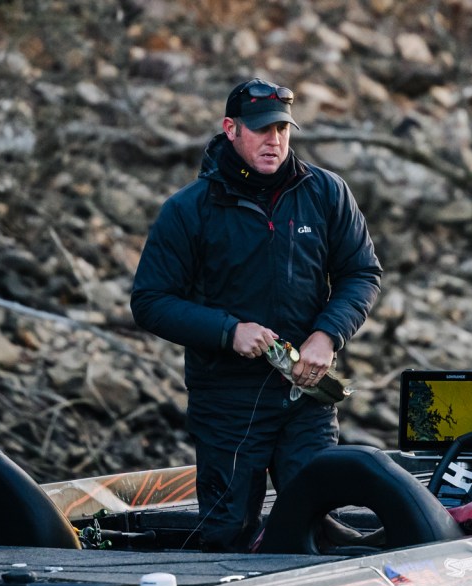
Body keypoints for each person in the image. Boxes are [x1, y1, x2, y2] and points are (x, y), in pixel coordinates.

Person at [131, 77, 382, 552]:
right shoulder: (188, 209)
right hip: (227, 401)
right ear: (231, 129)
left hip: (306, 393)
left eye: (282, 129)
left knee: (317, 524)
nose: (274, 140)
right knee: (228, 532)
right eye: (262, 129)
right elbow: (150, 301)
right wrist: (229, 332)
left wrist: (327, 335)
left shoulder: (327, 192)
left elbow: (361, 273)